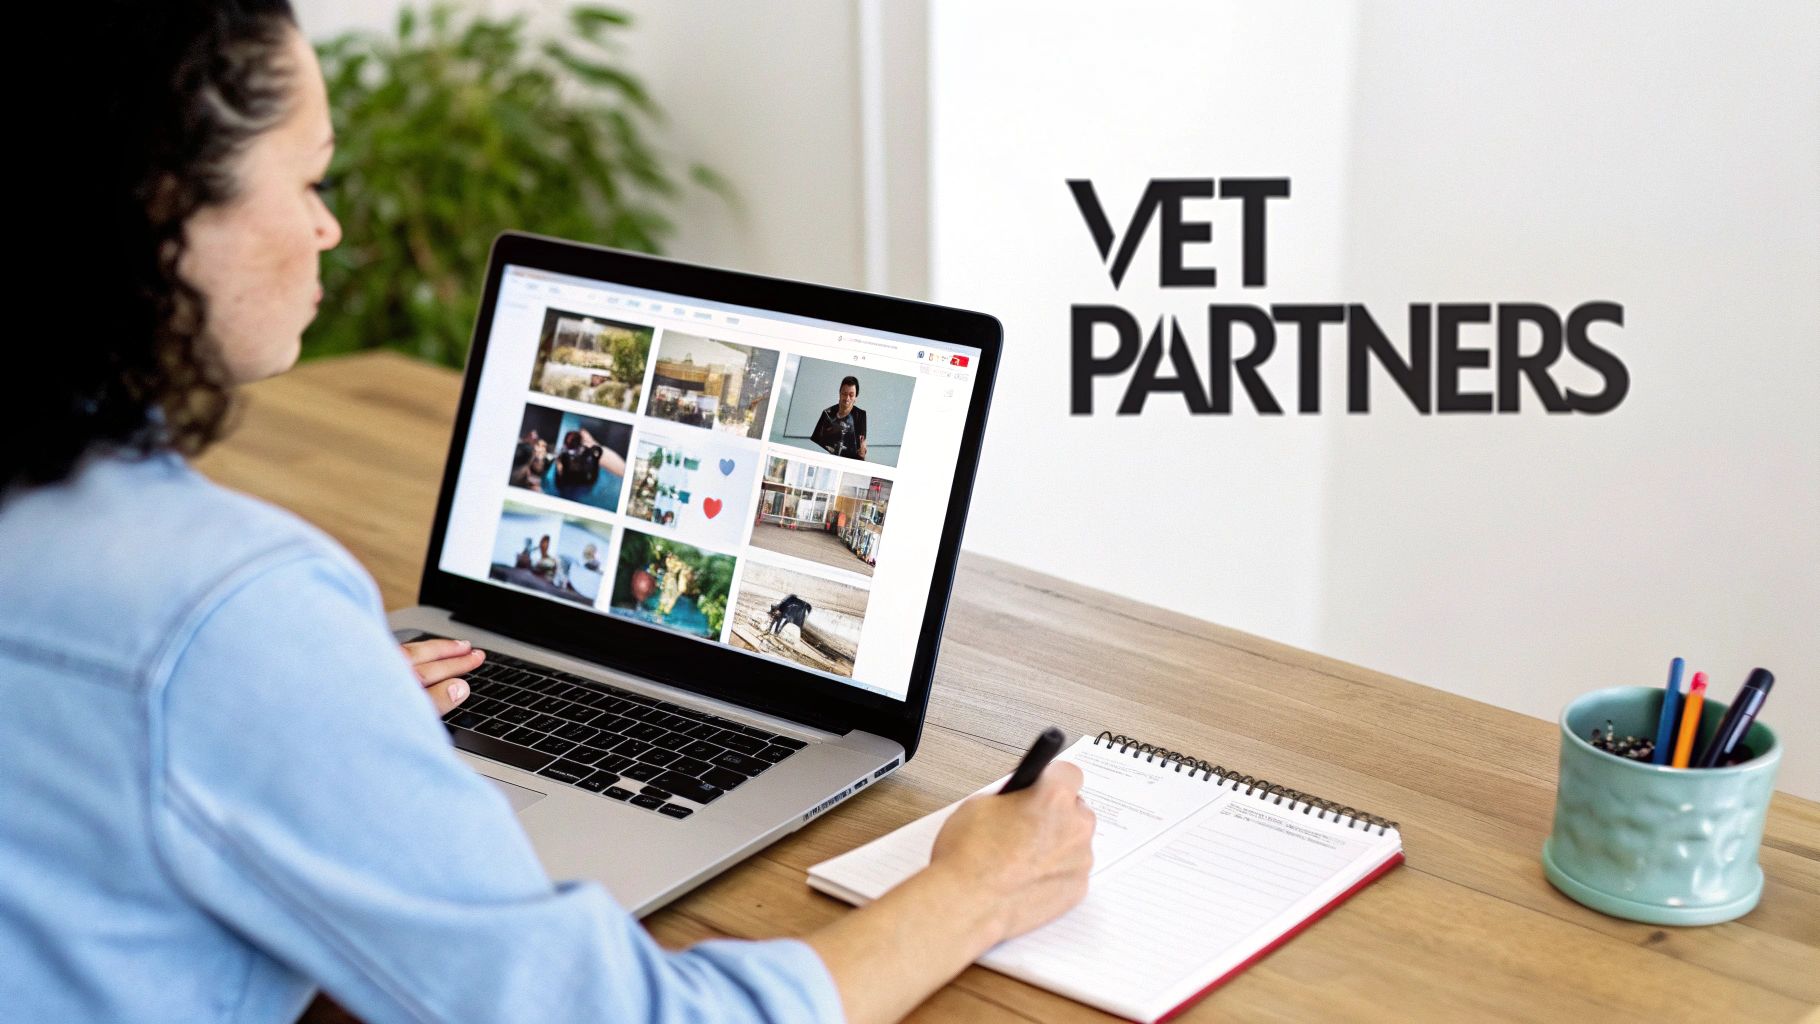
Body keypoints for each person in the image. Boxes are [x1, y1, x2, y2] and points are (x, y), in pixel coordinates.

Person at [0, 4, 1096, 1024]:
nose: (329, 229)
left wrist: (314, 716)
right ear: (163, 210)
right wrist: (974, 891)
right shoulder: (225, 610)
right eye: (310, 181)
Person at [809, 375, 869, 460]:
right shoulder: (827, 414)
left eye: (851, 395)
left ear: (855, 398)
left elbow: (861, 449)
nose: (847, 398)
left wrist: (862, 454)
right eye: (844, 394)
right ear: (839, 394)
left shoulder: (860, 415)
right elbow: (814, 446)